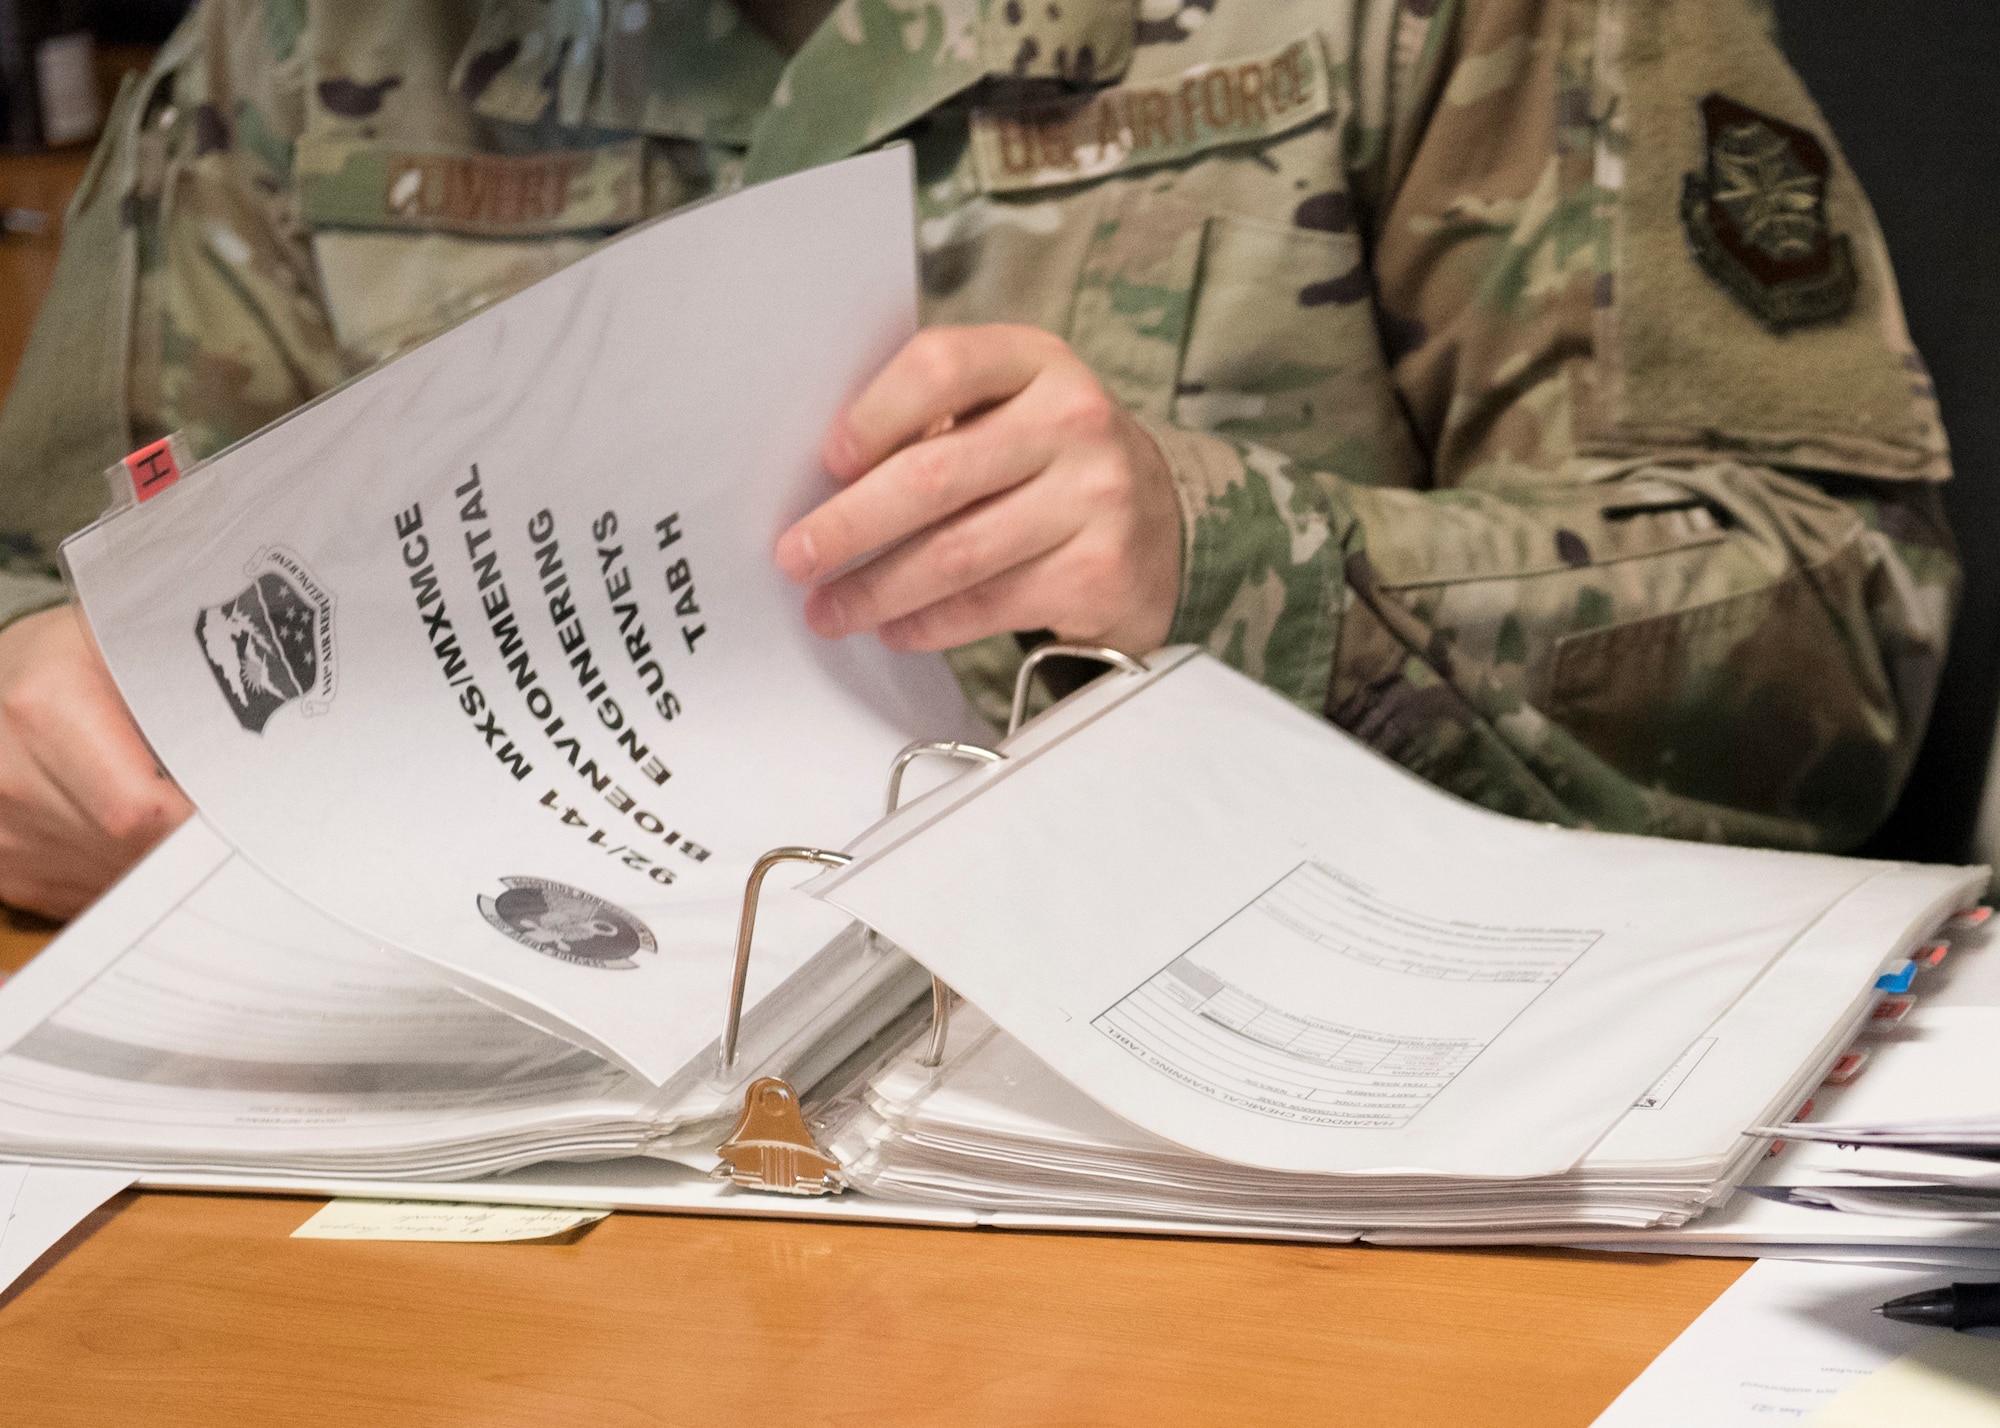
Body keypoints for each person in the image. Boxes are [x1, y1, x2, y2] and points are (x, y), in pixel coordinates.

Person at [0, 0, 1957, 918]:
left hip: (1280, 1138)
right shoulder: (295, 48)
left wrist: (1226, 561)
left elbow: (1828, 631)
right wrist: (30, 704)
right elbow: (51, 582)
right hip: (491, 1158)